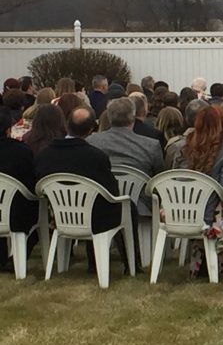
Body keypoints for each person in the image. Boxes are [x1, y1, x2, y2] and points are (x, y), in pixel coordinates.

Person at [35, 106, 133, 269]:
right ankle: (131, 263)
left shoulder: (44, 156)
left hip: (59, 216)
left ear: (67, 126)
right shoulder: (96, 157)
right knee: (129, 208)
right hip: (95, 219)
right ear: (90, 130)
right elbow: (111, 191)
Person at [172, 106, 223, 277]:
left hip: (178, 211)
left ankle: (202, 259)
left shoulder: (182, 145)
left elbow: (175, 179)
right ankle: (212, 259)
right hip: (209, 214)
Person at [0, 107, 38, 271]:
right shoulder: (21, 151)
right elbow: (30, 182)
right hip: (16, 213)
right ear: (8, 130)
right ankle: (15, 257)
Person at [87, 97, 164, 177]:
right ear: (133, 118)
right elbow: (159, 178)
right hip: (139, 188)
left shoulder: (91, 142)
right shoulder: (151, 146)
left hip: (102, 188)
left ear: (109, 118)